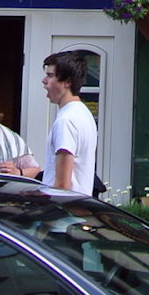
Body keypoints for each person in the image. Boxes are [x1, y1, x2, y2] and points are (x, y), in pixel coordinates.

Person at [41, 52, 97, 195]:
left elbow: (62, 186)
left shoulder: (66, 120)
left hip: (63, 207)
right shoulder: (83, 113)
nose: (44, 81)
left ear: (67, 82)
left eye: (50, 75)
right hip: (79, 204)